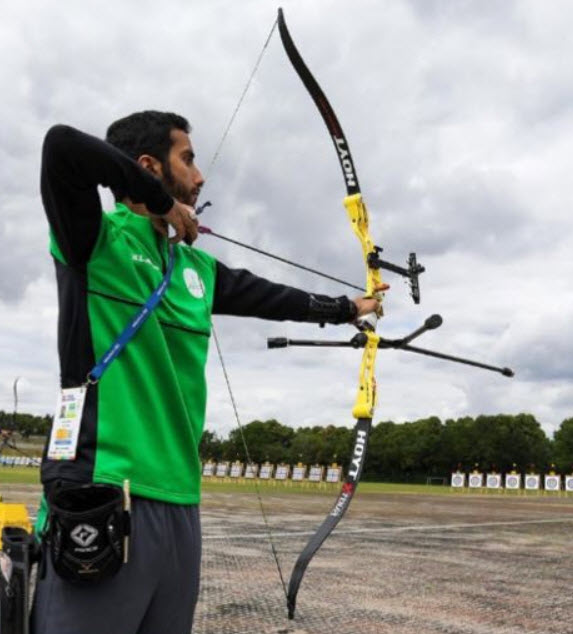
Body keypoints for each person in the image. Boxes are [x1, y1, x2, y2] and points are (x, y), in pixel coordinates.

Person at [31, 111, 382, 634]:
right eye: (187, 160)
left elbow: (273, 297)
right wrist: (158, 200)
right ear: (149, 168)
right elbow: (61, 147)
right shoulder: (93, 242)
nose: (199, 178)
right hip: (104, 494)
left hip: (181, 507)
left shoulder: (195, 270)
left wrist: (349, 308)